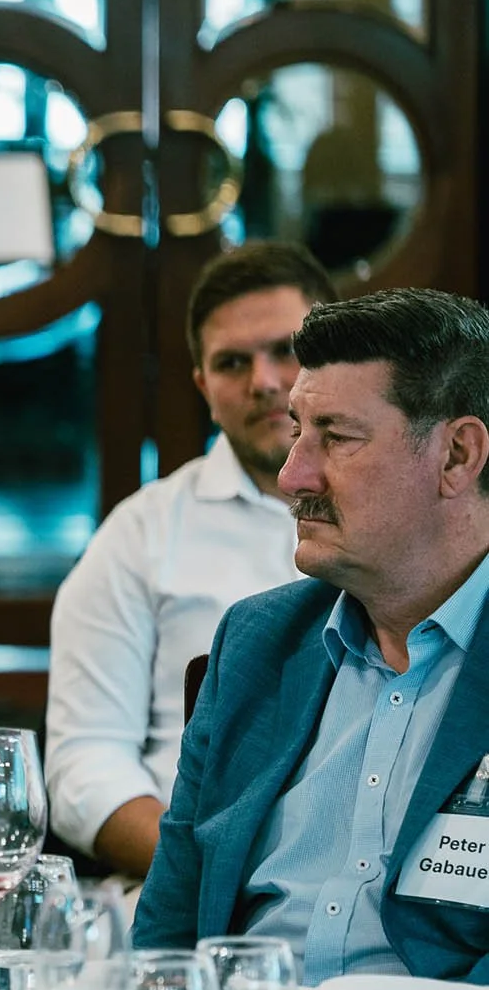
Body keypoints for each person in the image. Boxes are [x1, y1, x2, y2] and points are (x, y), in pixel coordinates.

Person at [134, 287, 489, 984]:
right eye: (298, 429)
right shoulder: (258, 643)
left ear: (457, 456)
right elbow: (169, 928)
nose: (294, 473)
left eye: (337, 436)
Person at [46, 243, 334, 879]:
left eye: (287, 350)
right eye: (233, 363)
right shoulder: (141, 535)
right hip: (190, 883)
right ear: (204, 386)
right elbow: (83, 765)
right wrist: (204, 874)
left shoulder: (418, 522)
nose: (264, 381)